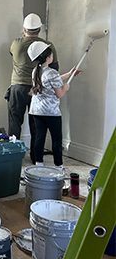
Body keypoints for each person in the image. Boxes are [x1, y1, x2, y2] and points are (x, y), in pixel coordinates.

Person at [6, 13, 59, 163]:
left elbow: (11, 53)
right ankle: (36, 158)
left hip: (17, 88)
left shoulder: (16, 44)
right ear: (40, 29)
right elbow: (54, 68)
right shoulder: (48, 46)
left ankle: (12, 157)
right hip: (37, 89)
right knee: (37, 125)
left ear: (24, 29)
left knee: (14, 123)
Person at [27, 41, 81, 171]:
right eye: (51, 55)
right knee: (57, 139)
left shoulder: (36, 71)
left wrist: (68, 75)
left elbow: (49, 81)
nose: (52, 57)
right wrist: (66, 87)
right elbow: (59, 94)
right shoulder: (52, 73)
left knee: (39, 137)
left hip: (36, 111)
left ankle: (38, 165)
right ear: (47, 58)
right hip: (51, 113)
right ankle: (58, 167)